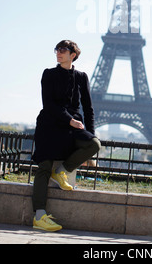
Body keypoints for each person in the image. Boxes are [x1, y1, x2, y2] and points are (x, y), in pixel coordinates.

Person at [32, 39, 101, 232]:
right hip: (50, 124)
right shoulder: (49, 74)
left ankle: (62, 170)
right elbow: (49, 104)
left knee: (94, 144)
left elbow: (88, 109)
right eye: (57, 49)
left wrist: (89, 134)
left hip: (72, 128)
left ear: (73, 54)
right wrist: (70, 120)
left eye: (63, 50)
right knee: (44, 167)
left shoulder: (81, 77)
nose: (58, 53)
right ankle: (39, 216)